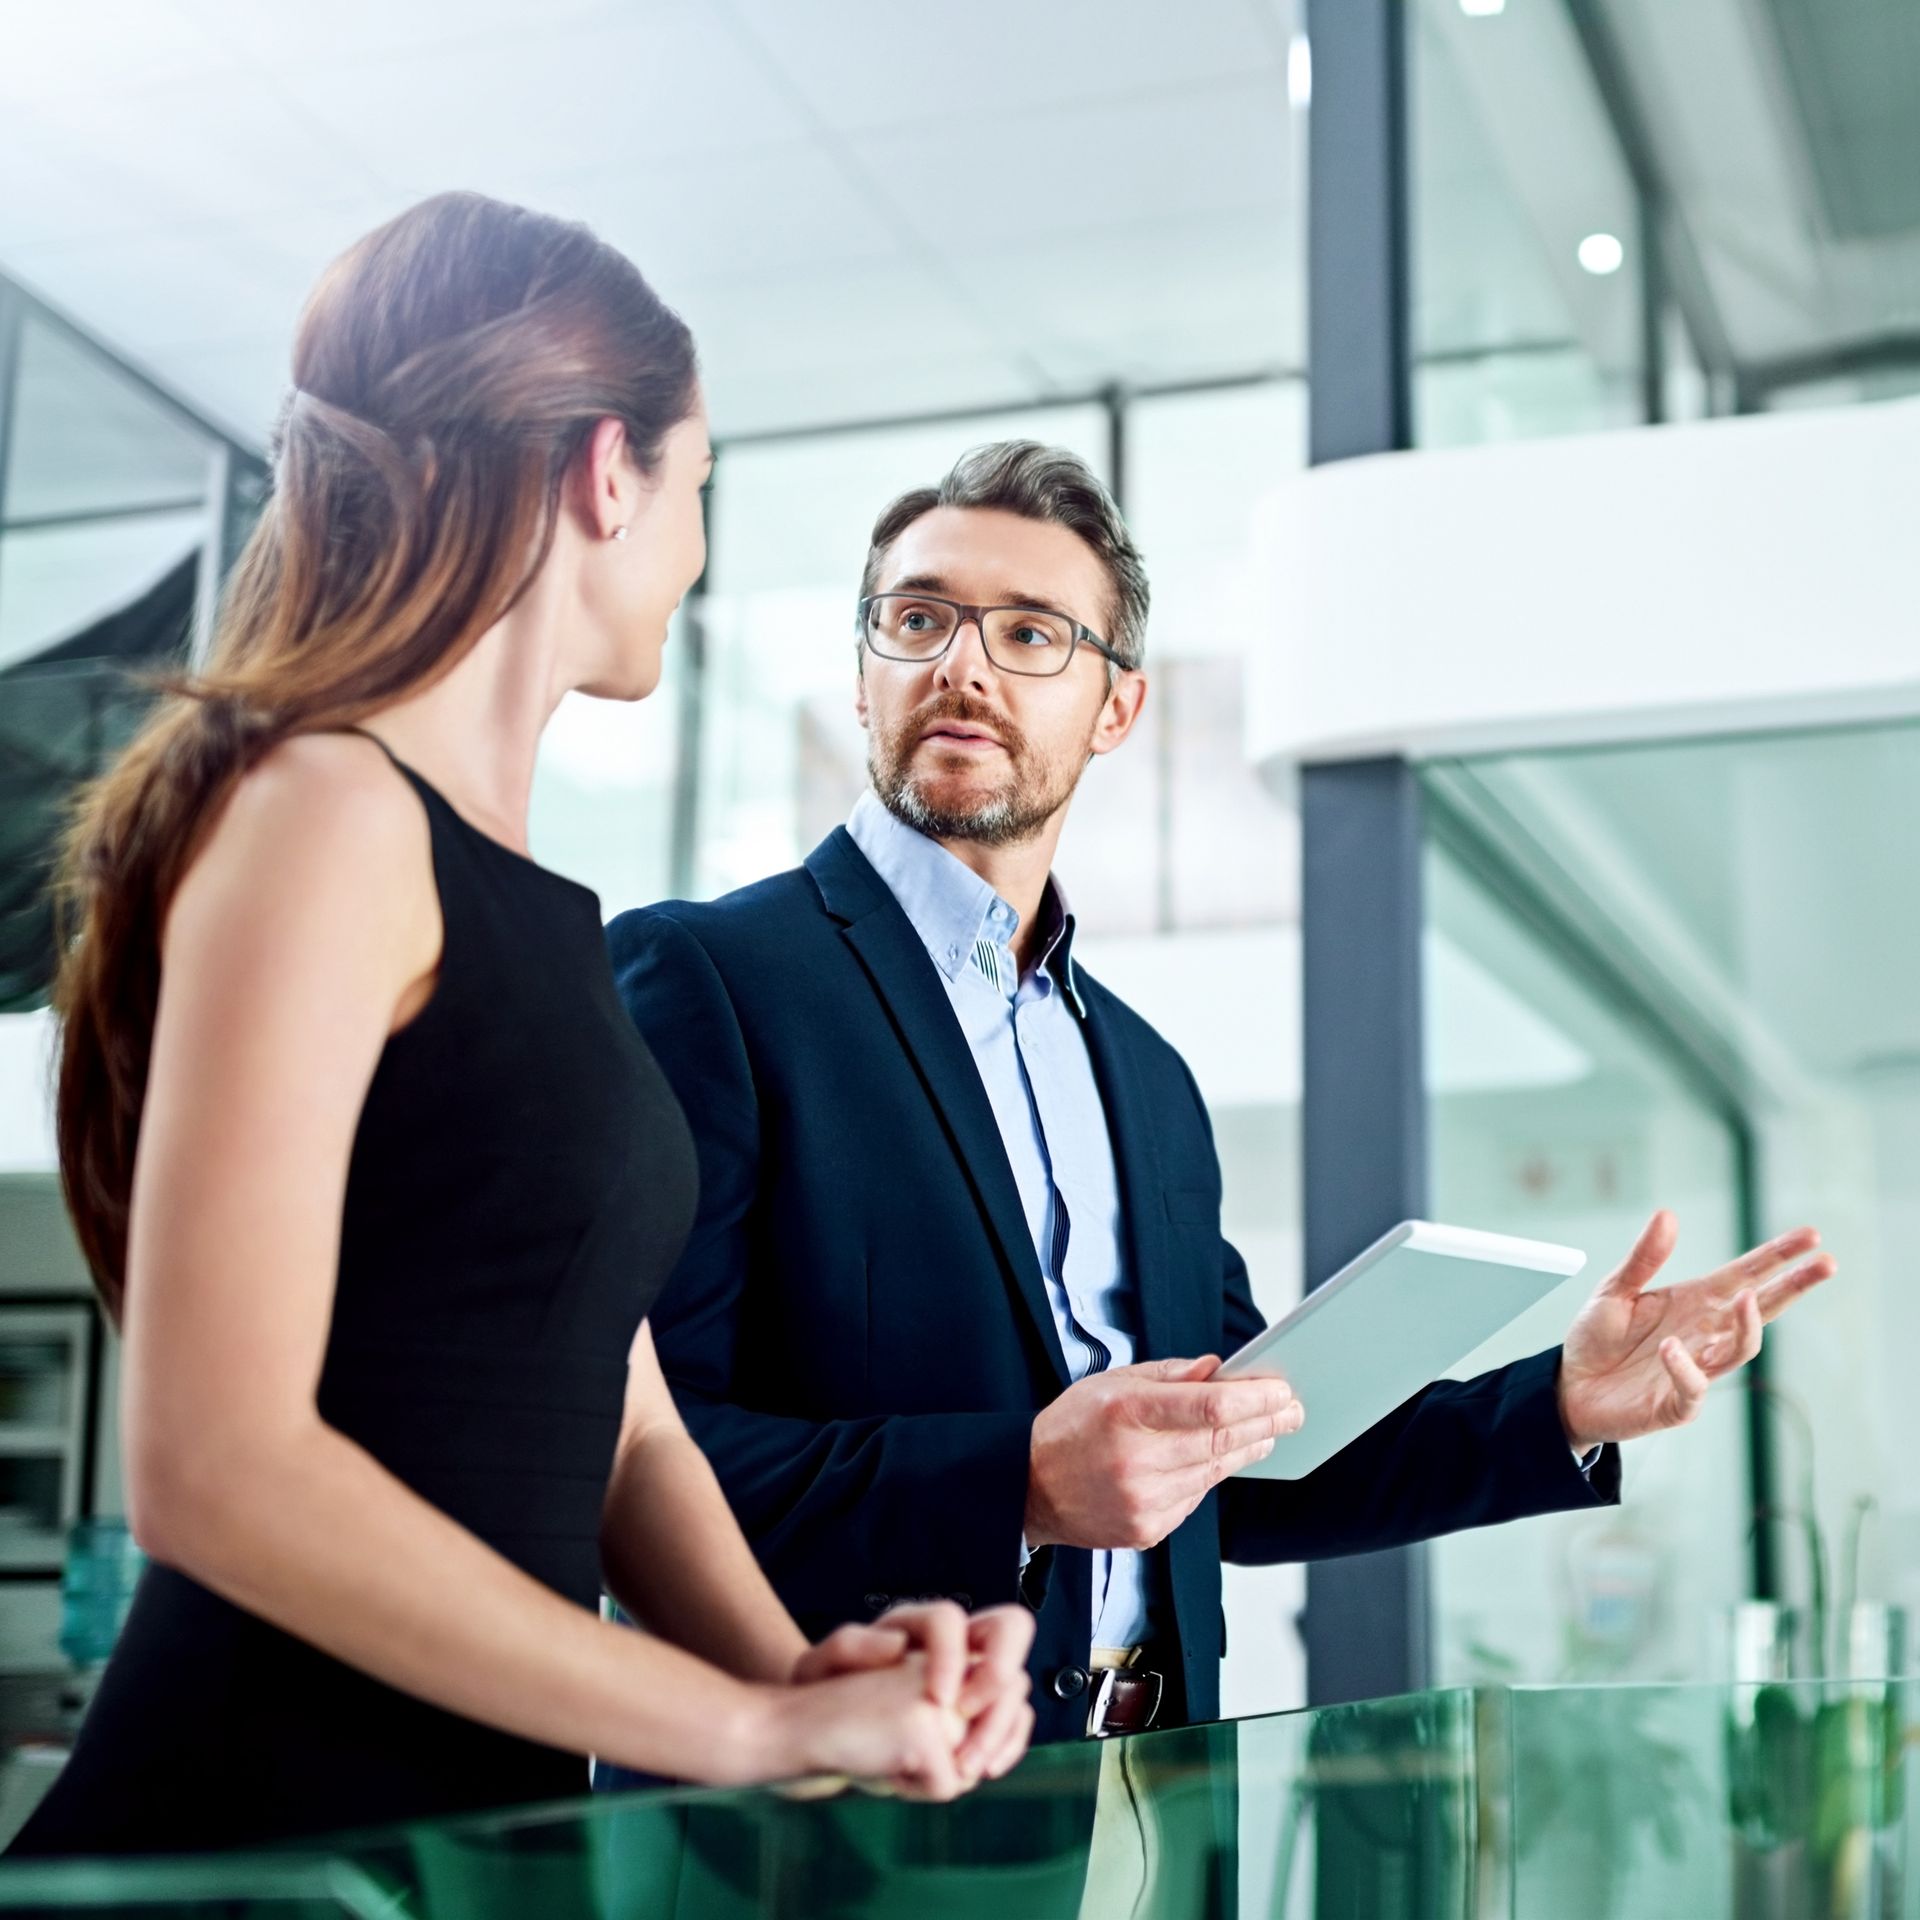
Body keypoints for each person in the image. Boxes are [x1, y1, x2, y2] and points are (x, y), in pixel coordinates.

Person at [8, 195, 1033, 1860]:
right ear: (605, 473)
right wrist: (750, 1727)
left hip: (450, 1857)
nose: (695, 554)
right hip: (248, 1852)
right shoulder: (324, 813)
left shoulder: (537, 911)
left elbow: (614, 1409)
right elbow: (217, 1469)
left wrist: (812, 1680)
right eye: (698, 488)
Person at [607, 440, 1836, 1746]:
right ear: (864, 676)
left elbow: (1247, 1462)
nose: (961, 665)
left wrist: (1560, 1402)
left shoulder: (1146, 1079)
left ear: (1117, 709)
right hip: (844, 1818)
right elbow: (627, 1452)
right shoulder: (708, 980)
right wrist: (1017, 1483)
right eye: (919, 619)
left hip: (1160, 1786)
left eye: (1031, 632)